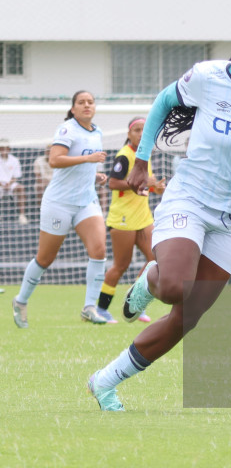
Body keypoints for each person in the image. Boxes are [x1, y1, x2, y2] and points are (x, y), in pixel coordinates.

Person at [87, 9, 231, 411]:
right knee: (174, 288)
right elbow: (163, 102)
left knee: (189, 316)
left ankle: (105, 381)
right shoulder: (208, 76)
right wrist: (141, 160)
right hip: (191, 198)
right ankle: (153, 280)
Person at [12, 91, 109, 328]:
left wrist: (94, 175)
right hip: (59, 203)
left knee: (99, 250)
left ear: (94, 107)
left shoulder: (97, 132)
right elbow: (55, 160)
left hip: (86, 201)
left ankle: (89, 307)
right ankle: (21, 300)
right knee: (46, 258)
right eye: (81, 102)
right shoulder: (67, 129)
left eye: (90, 102)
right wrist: (88, 161)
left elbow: (81, 165)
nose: (87, 105)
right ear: (73, 108)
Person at [95, 117, 167, 324]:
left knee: (156, 258)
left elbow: (143, 186)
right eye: (136, 129)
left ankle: (135, 302)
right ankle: (101, 309)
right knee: (121, 265)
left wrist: (156, 188)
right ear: (128, 134)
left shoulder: (145, 155)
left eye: (144, 130)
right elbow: (113, 183)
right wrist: (146, 181)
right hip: (123, 219)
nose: (140, 133)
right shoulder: (124, 155)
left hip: (143, 217)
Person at [0, 138, 28, 224]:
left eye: (5, 148)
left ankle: (22, 215)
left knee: (21, 188)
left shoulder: (15, 160)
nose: (3, 150)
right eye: (1, 148)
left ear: (8, 149)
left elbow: (16, 176)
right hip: (0, 185)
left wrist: (9, 183)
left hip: (10, 184)